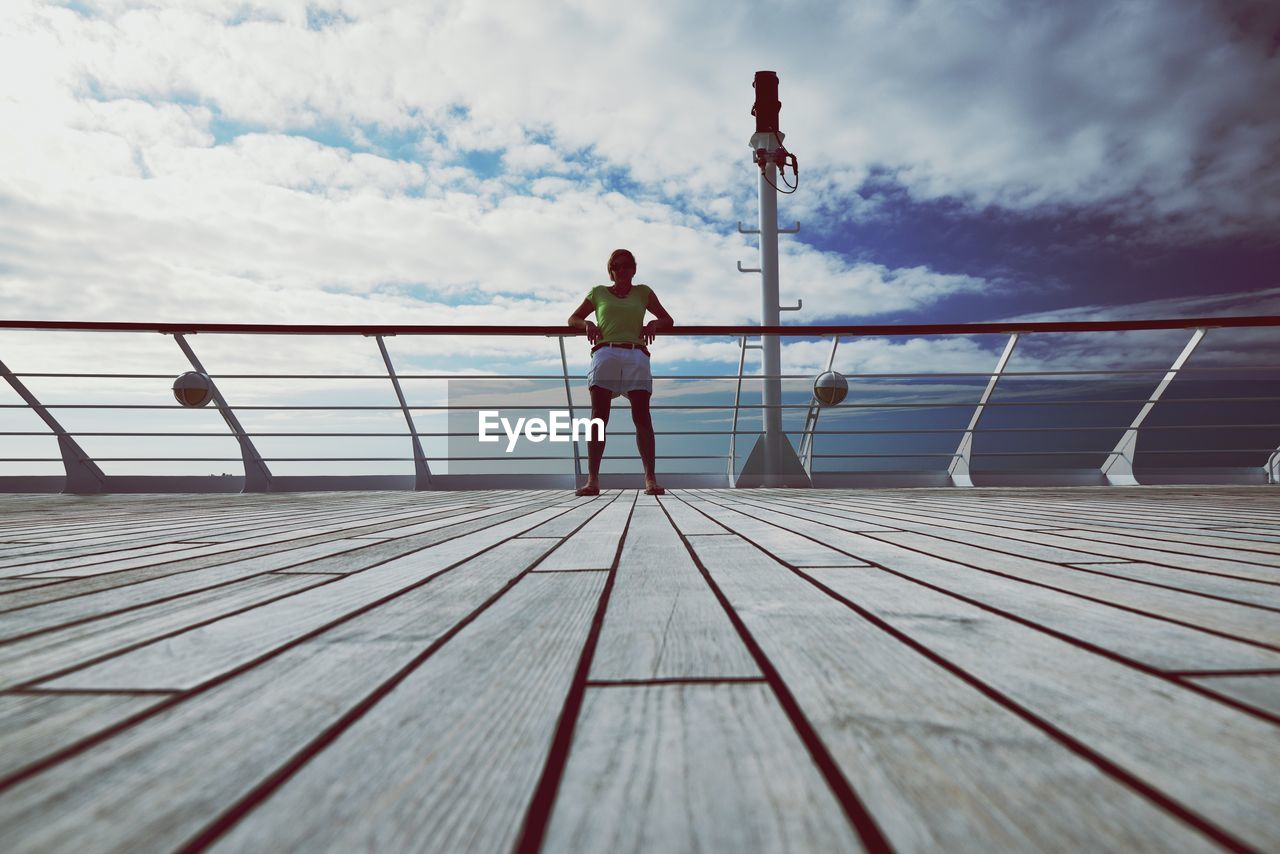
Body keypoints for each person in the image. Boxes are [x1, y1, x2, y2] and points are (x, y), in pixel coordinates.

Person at [567, 248, 674, 496]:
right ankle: (592, 480)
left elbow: (668, 319)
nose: (622, 270)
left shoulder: (643, 292)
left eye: (626, 265)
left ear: (634, 269)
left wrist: (654, 323)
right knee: (599, 417)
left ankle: (650, 479)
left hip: (636, 353)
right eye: (616, 266)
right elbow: (573, 318)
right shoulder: (598, 293)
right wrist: (588, 323)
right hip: (606, 352)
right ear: (610, 270)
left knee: (642, 417)